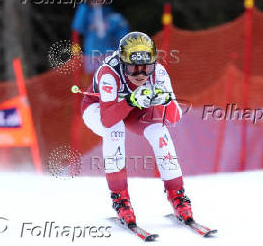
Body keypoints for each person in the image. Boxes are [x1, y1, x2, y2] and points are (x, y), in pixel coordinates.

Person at [81, 31, 193, 227]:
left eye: (146, 67)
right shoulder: (109, 73)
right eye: (133, 68)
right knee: (114, 131)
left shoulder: (158, 73)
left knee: (160, 133)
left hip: (133, 107)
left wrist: (165, 100)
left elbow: (174, 117)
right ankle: (120, 199)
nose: (140, 74)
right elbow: (107, 119)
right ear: (124, 64)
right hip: (100, 108)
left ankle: (177, 196)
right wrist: (131, 99)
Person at [71, 0, 129, 76]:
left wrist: (122, 50)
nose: (97, 0)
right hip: (92, 55)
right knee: (95, 81)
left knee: (114, 75)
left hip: (110, 52)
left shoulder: (111, 14)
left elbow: (122, 32)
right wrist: (84, 5)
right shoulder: (86, 13)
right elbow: (78, 26)